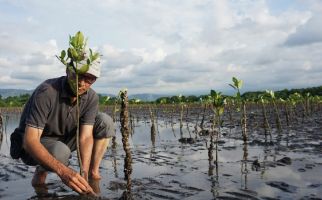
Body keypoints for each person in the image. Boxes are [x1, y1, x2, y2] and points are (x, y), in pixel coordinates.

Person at [10, 56, 115, 195]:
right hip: (31, 144)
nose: (81, 83)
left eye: (89, 79)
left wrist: (83, 172)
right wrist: (64, 172)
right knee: (60, 152)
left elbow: (85, 137)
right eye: (77, 75)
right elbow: (30, 141)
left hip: (63, 139)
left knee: (104, 121)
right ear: (67, 70)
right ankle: (41, 173)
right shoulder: (47, 91)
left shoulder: (91, 97)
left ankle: (93, 173)